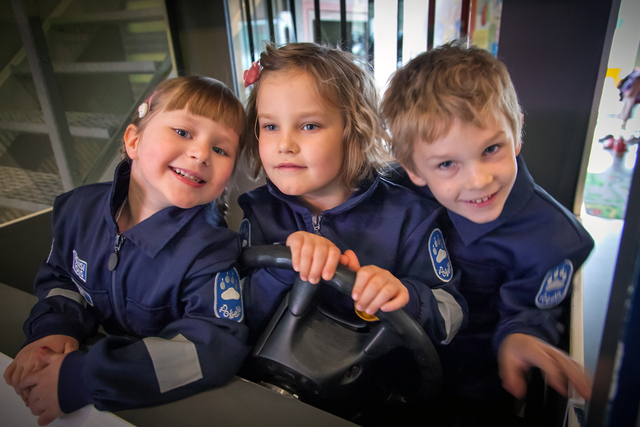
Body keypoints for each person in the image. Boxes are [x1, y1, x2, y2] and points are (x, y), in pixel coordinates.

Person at [3, 76, 250, 425]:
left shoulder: (212, 251)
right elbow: (62, 277)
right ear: (134, 141)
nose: (200, 153)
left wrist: (87, 377)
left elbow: (212, 345)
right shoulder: (76, 210)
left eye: (221, 149)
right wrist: (54, 327)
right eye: (183, 132)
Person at [381, 41, 595, 425]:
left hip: (473, 386)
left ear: (517, 134)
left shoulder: (555, 238)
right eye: (447, 163)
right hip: (389, 363)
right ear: (414, 170)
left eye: (492, 148)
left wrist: (521, 338)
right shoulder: (395, 190)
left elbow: (531, 312)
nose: (478, 180)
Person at [238, 42, 466, 350]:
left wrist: (406, 297)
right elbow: (233, 315)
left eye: (308, 126)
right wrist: (280, 269)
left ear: (354, 128)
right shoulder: (259, 212)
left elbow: (452, 315)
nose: (285, 144)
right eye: (270, 126)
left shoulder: (410, 217)